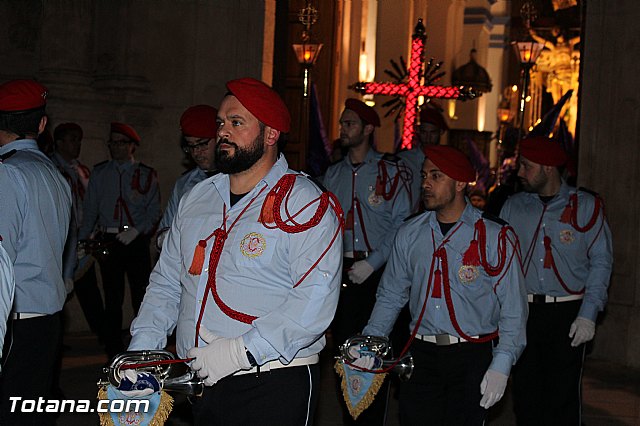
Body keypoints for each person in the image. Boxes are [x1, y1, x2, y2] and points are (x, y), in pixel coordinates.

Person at [129, 77, 343, 425]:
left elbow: (314, 302)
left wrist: (239, 352)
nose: (222, 133)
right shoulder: (197, 198)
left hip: (271, 380)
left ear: (270, 135)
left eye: (236, 122)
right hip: (199, 379)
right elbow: (167, 282)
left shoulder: (305, 202)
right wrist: (142, 350)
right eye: (220, 123)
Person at [355, 145, 527, 425]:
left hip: (471, 353)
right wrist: (372, 341)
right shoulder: (410, 232)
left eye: (436, 176)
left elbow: (514, 307)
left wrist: (503, 361)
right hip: (420, 354)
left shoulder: (493, 235)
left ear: (460, 183)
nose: (425, 184)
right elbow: (391, 295)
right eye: (424, 175)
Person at [500, 136, 613, 425]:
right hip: (524, 312)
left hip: (567, 313)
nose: (520, 173)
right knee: (525, 395)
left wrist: (588, 315)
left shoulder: (586, 206)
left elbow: (601, 262)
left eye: (527, 166)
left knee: (562, 398)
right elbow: (499, 264)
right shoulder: (513, 206)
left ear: (548, 168)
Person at [323, 98, 411, 425]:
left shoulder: (390, 172)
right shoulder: (333, 175)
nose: (343, 129)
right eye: (343, 123)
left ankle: (373, 419)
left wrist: (373, 263)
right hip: (343, 273)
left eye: (350, 124)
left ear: (368, 129)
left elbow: (401, 222)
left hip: (378, 274)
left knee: (375, 352)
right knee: (346, 353)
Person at [0, 79, 72, 424]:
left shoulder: (8, 172)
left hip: (14, 319)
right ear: (42, 125)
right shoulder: (56, 175)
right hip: (47, 318)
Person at [79, 122, 161, 358]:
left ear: (132, 146)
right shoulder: (100, 173)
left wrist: (137, 231)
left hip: (134, 240)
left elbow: (154, 211)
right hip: (109, 239)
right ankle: (113, 346)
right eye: (112, 143)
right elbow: (90, 209)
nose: (115, 148)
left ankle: (143, 343)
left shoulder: (145, 174)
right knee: (112, 295)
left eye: (121, 143)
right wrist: (83, 240)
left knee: (141, 293)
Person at [51, 122, 106, 339]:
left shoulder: (81, 170)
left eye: (79, 140)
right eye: (72, 139)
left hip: (83, 238)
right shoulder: (51, 168)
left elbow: (90, 203)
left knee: (88, 288)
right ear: (59, 142)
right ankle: (55, 334)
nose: (77, 145)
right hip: (62, 239)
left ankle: (102, 332)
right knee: (59, 287)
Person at [155, 105, 218, 250]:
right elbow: (163, 230)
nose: (196, 152)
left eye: (202, 144)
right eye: (191, 146)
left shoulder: (238, 180)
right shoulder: (184, 184)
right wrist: (167, 239)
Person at [398, 105, 449, 213]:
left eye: (433, 133)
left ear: (440, 132)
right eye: (424, 132)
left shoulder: (447, 162)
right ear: (418, 131)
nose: (428, 137)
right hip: (409, 216)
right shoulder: (404, 160)